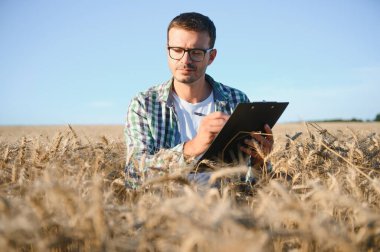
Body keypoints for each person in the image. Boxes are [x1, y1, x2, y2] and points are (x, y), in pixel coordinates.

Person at [124, 12, 273, 188]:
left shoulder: (237, 100)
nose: (185, 60)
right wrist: (193, 147)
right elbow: (134, 175)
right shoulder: (145, 104)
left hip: (227, 211)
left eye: (196, 52)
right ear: (167, 51)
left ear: (211, 57)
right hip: (165, 212)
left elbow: (251, 186)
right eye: (177, 50)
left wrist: (260, 162)